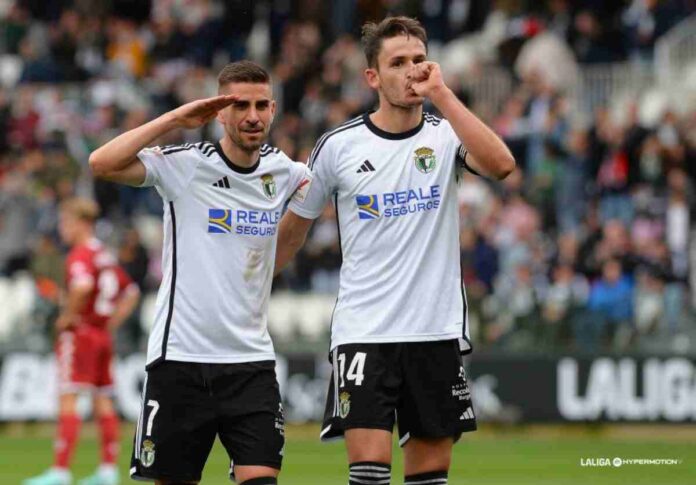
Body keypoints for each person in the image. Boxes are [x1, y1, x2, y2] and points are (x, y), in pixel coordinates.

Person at [275, 16, 515, 485]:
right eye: (398, 62)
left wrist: (444, 96)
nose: (412, 71)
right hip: (365, 331)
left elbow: (502, 165)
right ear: (372, 77)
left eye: (419, 60)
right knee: (368, 476)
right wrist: (254, 282)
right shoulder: (338, 147)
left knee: (429, 479)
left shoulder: (445, 136)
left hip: (434, 330)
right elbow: (294, 229)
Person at [88, 60, 312, 485]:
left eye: (262, 105)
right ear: (220, 113)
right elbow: (101, 162)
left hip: (250, 362)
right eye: (240, 105)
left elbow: (301, 224)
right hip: (181, 361)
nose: (252, 116)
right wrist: (175, 118)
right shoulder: (186, 166)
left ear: (274, 108)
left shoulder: (286, 173)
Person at [24, 198, 140, 485]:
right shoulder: (104, 254)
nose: (62, 228)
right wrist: (109, 323)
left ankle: (60, 472)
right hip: (101, 335)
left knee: (68, 397)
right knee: (103, 401)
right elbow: (132, 291)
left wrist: (68, 315)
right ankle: (107, 471)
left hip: (80, 334)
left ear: (81, 223)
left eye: (65, 222)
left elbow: (82, 286)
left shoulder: (80, 255)